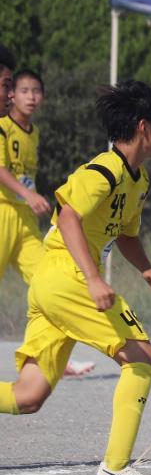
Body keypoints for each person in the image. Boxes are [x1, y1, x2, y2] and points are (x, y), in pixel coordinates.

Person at [0, 80, 151, 475]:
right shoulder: (104, 170)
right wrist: (94, 279)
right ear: (144, 127)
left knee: (28, 396)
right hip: (67, 277)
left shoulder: (138, 180)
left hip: (53, 282)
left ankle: (116, 467)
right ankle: (115, 468)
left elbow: (126, 234)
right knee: (144, 357)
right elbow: (68, 216)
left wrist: (146, 268)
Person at [0, 62, 95, 376]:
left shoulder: (34, 131)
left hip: (25, 221)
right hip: (2, 213)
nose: (31, 97)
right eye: (24, 91)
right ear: (11, 94)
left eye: (36, 91)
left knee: (49, 282)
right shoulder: (2, 125)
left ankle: (51, 357)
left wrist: (28, 198)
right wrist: (28, 194)